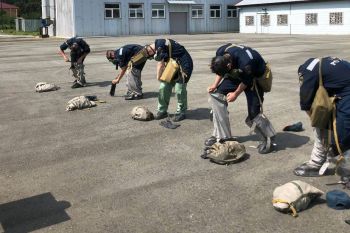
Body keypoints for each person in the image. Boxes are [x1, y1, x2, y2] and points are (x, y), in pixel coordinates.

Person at [206, 43, 276, 154]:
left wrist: (235, 94)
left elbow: (246, 81)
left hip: (253, 78)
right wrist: (215, 85)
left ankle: (269, 138)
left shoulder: (247, 61)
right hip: (237, 74)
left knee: (254, 113)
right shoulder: (221, 52)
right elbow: (221, 72)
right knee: (216, 96)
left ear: (229, 66)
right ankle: (221, 136)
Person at [294, 57, 350, 180]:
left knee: (343, 136)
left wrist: (316, 121)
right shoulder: (320, 65)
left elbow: (306, 103)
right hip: (343, 90)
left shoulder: (307, 74)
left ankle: (347, 169)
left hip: (347, 94)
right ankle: (318, 161)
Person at [145, 39, 193, 121]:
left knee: (179, 89)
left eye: (150, 55)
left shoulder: (159, 45)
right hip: (172, 65)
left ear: (150, 51)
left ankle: (181, 112)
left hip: (185, 65)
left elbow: (160, 64)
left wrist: (158, 77)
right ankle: (162, 111)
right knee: (164, 86)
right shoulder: (158, 45)